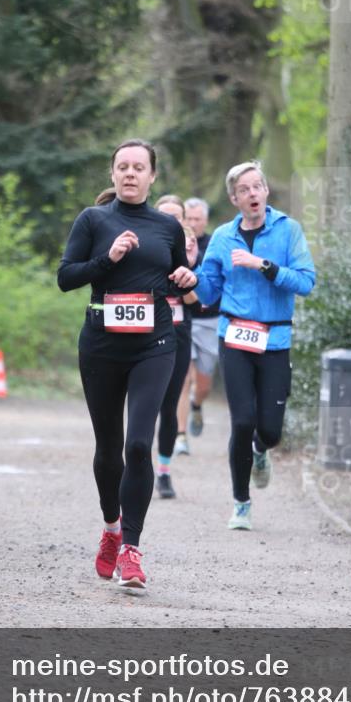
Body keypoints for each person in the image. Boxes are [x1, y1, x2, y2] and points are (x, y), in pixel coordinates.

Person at [57, 140, 191, 591]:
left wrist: (187, 278)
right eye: (122, 167)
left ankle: (132, 549)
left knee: (138, 445)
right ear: (113, 175)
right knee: (109, 448)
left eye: (139, 167)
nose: (130, 173)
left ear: (153, 176)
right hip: (101, 347)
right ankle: (111, 529)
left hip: (154, 344)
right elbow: (65, 277)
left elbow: (179, 277)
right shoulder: (93, 220)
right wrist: (107, 259)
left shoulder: (167, 226)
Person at [172, 160, 315, 531]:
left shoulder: (288, 231)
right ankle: (241, 502)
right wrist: (191, 276)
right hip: (233, 336)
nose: (253, 193)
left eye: (258, 187)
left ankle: (260, 450)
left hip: (275, 338)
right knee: (242, 420)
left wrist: (262, 265)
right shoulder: (222, 236)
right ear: (234, 198)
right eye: (244, 190)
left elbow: (305, 282)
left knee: (269, 430)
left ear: (266, 191)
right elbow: (209, 291)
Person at [153, 195, 198, 499]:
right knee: (143, 404)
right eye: (164, 215)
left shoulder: (190, 246)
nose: (170, 220)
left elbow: (200, 301)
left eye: (176, 216)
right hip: (145, 329)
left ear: (183, 219)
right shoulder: (144, 242)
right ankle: (136, 465)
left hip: (178, 330)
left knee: (169, 405)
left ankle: (164, 471)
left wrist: (187, 283)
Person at [175, 197, 220, 453]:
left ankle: (196, 405)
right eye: (188, 218)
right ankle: (181, 435)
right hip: (182, 317)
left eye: (197, 219)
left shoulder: (215, 243)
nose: (192, 223)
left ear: (205, 220)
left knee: (202, 385)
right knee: (183, 379)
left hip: (209, 318)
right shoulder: (175, 240)